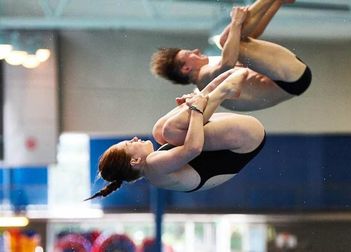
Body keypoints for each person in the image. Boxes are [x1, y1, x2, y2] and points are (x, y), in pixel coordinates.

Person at [85, 69, 267, 200]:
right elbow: (193, 148)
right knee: (171, 130)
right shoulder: (153, 165)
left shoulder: (154, 169)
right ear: (134, 161)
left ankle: (216, 88)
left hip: (240, 140)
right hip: (245, 139)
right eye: (128, 144)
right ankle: (222, 91)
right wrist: (194, 109)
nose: (134, 139)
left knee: (160, 131)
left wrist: (190, 106)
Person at [150, 0, 312, 111]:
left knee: (233, 41)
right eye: (189, 53)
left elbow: (250, 37)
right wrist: (235, 22)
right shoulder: (205, 79)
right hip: (288, 79)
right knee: (226, 40)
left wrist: (276, 4)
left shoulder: (211, 77)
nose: (196, 51)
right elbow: (228, 62)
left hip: (290, 79)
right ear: (186, 68)